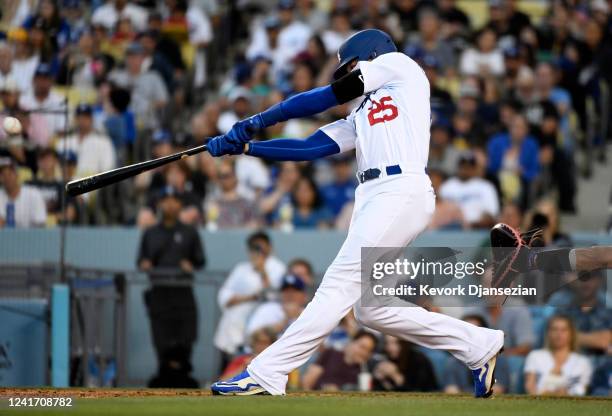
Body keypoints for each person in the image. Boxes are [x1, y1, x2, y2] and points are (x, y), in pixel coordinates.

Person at [208, 29, 504, 398]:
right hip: (375, 196)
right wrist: (248, 147)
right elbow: (310, 147)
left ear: (369, 54)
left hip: (400, 188)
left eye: (350, 66)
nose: (347, 74)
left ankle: (268, 372)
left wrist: (260, 118)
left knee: (338, 284)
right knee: (371, 309)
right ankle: (478, 345)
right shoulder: (360, 111)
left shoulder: (399, 67)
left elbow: (331, 94)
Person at [137, 186, 205, 386]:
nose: (170, 204)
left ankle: (185, 387)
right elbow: (141, 260)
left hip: (183, 295)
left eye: (174, 199)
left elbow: (200, 260)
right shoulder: (150, 233)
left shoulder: (190, 232)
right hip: (159, 295)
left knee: (186, 343)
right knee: (161, 343)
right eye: (165, 199)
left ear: (180, 204)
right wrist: (145, 264)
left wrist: (190, 265)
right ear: (159, 204)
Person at [213, 231, 286, 371]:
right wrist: (248, 297)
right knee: (227, 368)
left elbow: (273, 295)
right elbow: (225, 294)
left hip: (257, 327)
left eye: (261, 247)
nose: (257, 251)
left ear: (269, 247)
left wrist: (262, 271)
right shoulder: (241, 268)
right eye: (254, 247)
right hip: (233, 323)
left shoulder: (278, 267)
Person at [524, 315, 592, 396]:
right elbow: (530, 385)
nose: (559, 334)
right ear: (548, 333)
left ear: (571, 334)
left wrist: (565, 393)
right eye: (554, 329)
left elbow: (583, 389)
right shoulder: (535, 356)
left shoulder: (583, 362)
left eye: (564, 330)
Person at [301, 330, 377, 391]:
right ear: (352, 343)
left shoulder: (366, 369)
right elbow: (308, 381)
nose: (364, 353)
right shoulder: (331, 354)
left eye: (368, 350)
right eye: (362, 347)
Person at [372, 335, 438, 392]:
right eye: (387, 343)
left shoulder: (418, 360)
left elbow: (419, 390)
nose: (389, 347)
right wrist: (382, 380)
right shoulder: (387, 358)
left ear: (403, 343)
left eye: (395, 343)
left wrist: (395, 375)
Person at [0, 157, 47, 228]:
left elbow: (40, 225)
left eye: (10, 173)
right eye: (3, 174)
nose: (7, 177)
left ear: (17, 174)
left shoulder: (34, 194)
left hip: (32, 237)